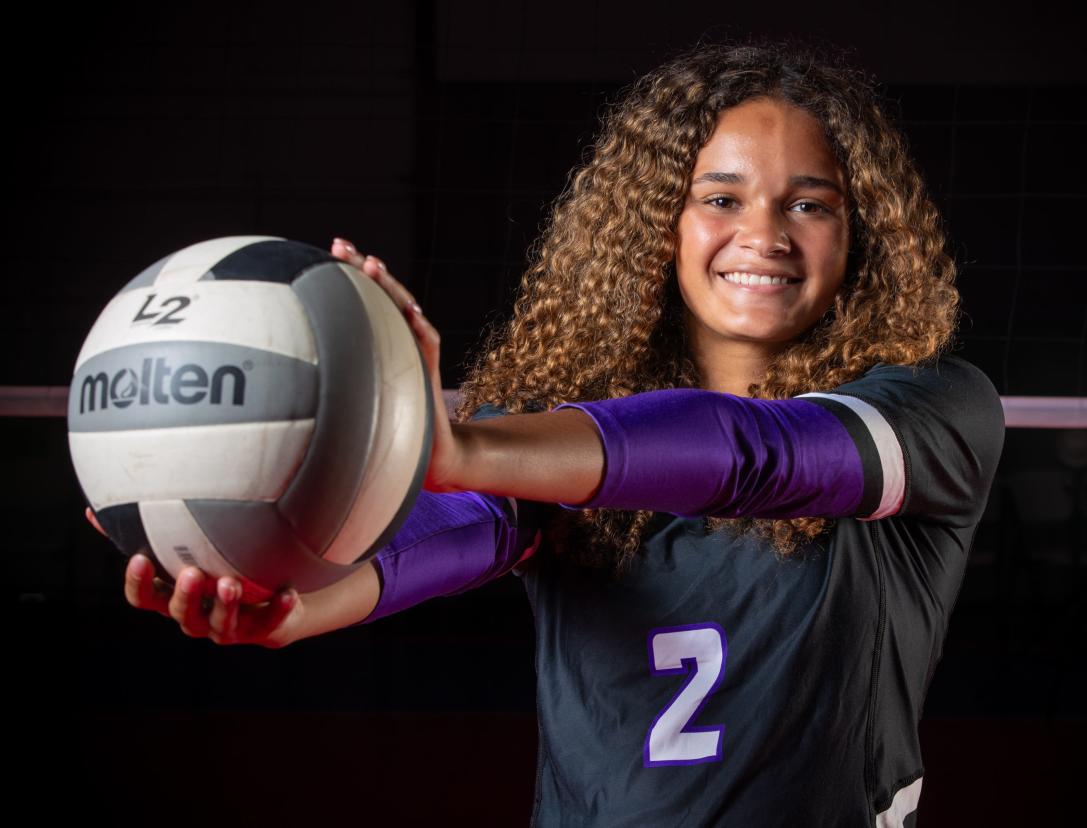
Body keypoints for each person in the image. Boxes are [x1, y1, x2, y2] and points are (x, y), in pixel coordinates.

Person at [94, 38, 1005, 827]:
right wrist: (290, 602)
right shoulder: (555, 446)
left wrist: (464, 450)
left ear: (861, 235)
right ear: (657, 224)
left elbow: (751, 451)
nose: (763, 233)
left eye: (810, 204)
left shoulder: (932, 413)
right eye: (720, 199)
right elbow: (433, 541)